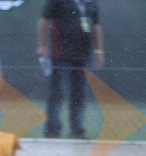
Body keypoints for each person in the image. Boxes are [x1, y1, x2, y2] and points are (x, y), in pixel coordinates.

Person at [37, 0, 104, 139]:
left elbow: (96, 25)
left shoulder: (91, 3)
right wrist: (42, 46)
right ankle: (52, 129)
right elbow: (44, 21)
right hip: (60, 53)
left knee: (79, 93)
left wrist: (99, 50)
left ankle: (77, 129)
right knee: (57, 91)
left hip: (83, 55)